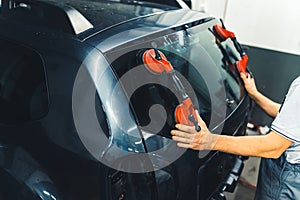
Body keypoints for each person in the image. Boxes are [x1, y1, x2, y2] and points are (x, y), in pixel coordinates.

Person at [171, 72, 300, 199]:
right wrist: (255, 94)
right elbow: (287, 115)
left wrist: (208, 141)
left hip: (287, 179)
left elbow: (274, 147)